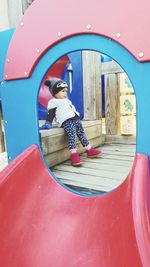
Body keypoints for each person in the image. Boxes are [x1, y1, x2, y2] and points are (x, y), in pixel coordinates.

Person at [40, 78, 101, 166]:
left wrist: (78, 116)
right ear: (55, 93)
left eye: (66, 91)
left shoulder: (67, 100)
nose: (65, 93)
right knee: (72, 133)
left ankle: (89, 149)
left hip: (75, 119)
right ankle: (73, 154)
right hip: (66, 121)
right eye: (63, 91)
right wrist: (48, 123)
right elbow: (51, 114)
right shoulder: (54, 102)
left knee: (81, 133)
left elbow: (71, 110)